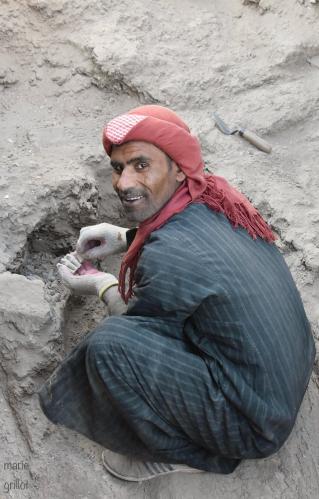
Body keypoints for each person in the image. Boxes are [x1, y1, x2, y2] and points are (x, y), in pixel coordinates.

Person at [38, 105, 315, 482]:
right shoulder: (214, 194)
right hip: (285, 373)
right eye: (118, 168)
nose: (123, 183)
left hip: (255, 421)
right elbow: (183, 241)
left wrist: (100, 284)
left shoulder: (171, 255)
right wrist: (121, 237)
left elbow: (135, 334)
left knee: (109, 346)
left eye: (140, 164)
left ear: (178, 166)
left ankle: (181, 450)